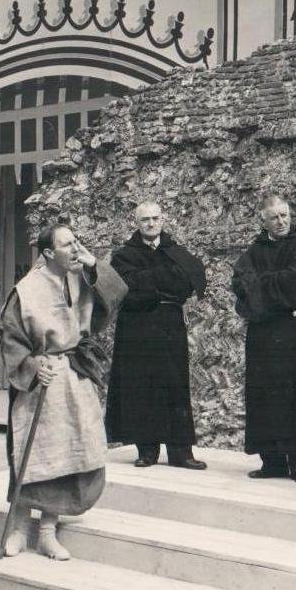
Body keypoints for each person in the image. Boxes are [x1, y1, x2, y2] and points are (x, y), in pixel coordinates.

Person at [0, 224, 126, 560]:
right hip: (40, 379)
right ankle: (18, 529)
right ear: (46, 253)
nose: (74, 249)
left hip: (73, 373)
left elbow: (116, 295)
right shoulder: (25, 290)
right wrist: (31, 364)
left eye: (76, 243)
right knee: (33, 453)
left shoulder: (81, 277)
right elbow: (10, 339)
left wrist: (93, 262)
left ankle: (47, 531)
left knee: (67, 453)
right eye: (66, 245)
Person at [230, 196, 296, 484]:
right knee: (266, 392)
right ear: (263, 221)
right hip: (265, 332)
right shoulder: (254, 250)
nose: (281, 222)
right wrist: (270, 284)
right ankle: (272, 460)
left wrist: (261, 284)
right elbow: (239, 282)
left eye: (285, 215)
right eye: (274, 217)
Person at [106, 201, 208, 470]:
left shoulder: (177, 252)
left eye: (155, 218)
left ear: (163, 220)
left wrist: (148, 282)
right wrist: (164, 283)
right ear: (137, 223)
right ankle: (147, 450)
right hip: (137, 329)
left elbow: (190, 281)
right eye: (145, 220)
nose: (151, 224)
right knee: (142, 385)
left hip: (169, 326)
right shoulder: (124, 256)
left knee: (175, 385)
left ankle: (181, 453)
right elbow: (126, 289)